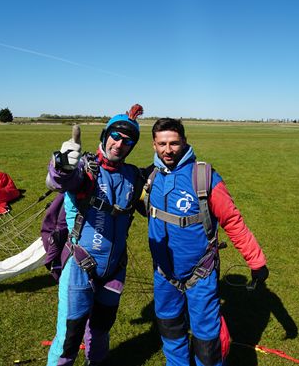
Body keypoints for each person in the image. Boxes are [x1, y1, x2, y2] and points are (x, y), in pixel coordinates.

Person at [143, 118, 269, 366]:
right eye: (162, 144)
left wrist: (256, 261)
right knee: (169, 326)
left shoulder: (204, 177)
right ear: (154, 145)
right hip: (164, 273)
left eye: (174, 143)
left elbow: (232, 220)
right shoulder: (150, 177)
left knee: (206, 337)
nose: (168, 150)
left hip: (200, 273)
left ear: (184, 142)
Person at [45, 104, 145, 366]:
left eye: (127, 141)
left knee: (101, 330)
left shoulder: (133, 177)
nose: (119, 144)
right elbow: (59, 181)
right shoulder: (86, 170)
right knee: (69, 338)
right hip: (80, 267)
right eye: (115, 136)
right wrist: (61, 165)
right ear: (105, 135)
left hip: (114, 271)